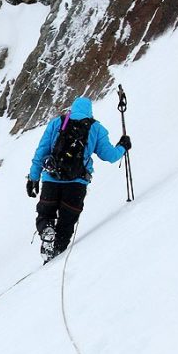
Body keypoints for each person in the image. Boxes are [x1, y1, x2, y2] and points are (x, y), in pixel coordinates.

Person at [26, 96, 131, 262]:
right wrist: (123, 146)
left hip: (51, 181)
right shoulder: (96, 128)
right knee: (66, 224)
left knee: (44, 214)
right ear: (90, 111)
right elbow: (109, 156)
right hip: (77, 185)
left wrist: (33, 178)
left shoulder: (56, 123)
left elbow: (41, 152)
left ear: (72, 109)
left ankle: (46, 230)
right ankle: (56, 255)